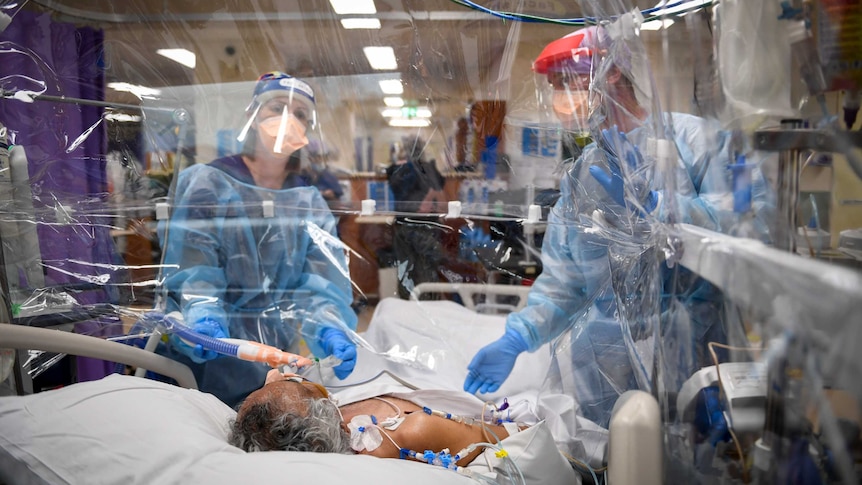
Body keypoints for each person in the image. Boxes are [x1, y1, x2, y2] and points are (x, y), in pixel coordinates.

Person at [463, 26, 775, 427]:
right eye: (556, 86)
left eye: (569, 81)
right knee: (612, 460)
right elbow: (566, 282)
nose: (562, 98)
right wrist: (517, 338)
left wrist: (663, 210)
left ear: (611, 72)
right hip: (603, 366)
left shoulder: (696, 141)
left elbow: (752, 226)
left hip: (697, 351)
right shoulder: (581, 178)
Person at [157, 71, 358, 408]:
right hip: (206, 354)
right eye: (277, 108)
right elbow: (193, 268)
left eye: (300, 115)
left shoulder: (306, 201)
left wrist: (328, 327)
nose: (288, 120)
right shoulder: (210, 184)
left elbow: (320, 283)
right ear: (251, 117)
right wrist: (202, 316)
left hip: (273, 357)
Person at [385, 136, 449, 299]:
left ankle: (408, 311)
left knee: (405, 272)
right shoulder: (428, 170)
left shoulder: (396, 170)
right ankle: (427, 312)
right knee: (426, 270)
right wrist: (429, 200)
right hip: (424, 228)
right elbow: (441, 202)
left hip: (403, 228)